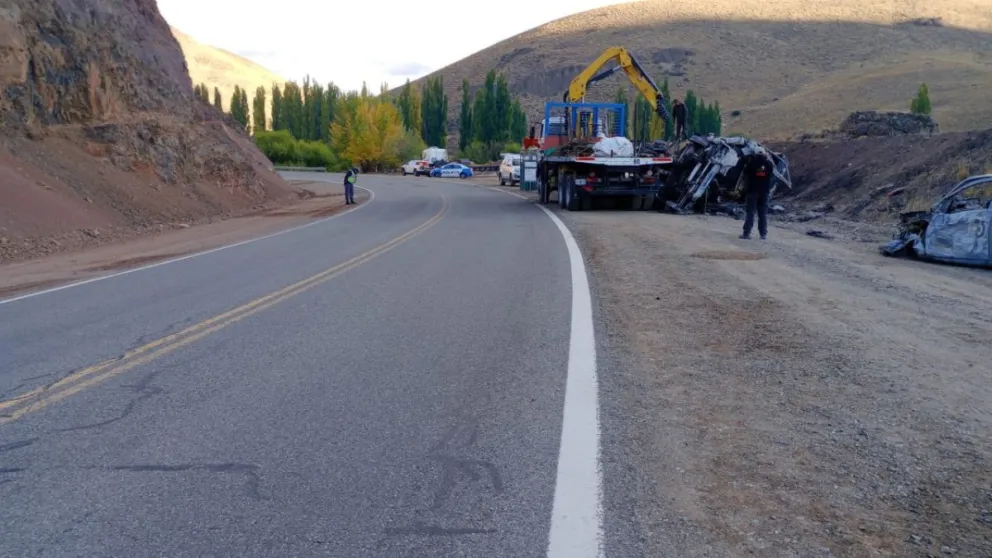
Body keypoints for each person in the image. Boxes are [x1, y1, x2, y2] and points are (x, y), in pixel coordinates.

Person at [739, 148, 775, 240]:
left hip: (752, 192)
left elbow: (744, 173)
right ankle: (763, 234)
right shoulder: (769, 164)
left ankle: (746, 233)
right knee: (762, 214)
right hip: (764, 192)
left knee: (750, 212)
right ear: (764, 154)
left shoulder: (751, 164)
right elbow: (771, 175)